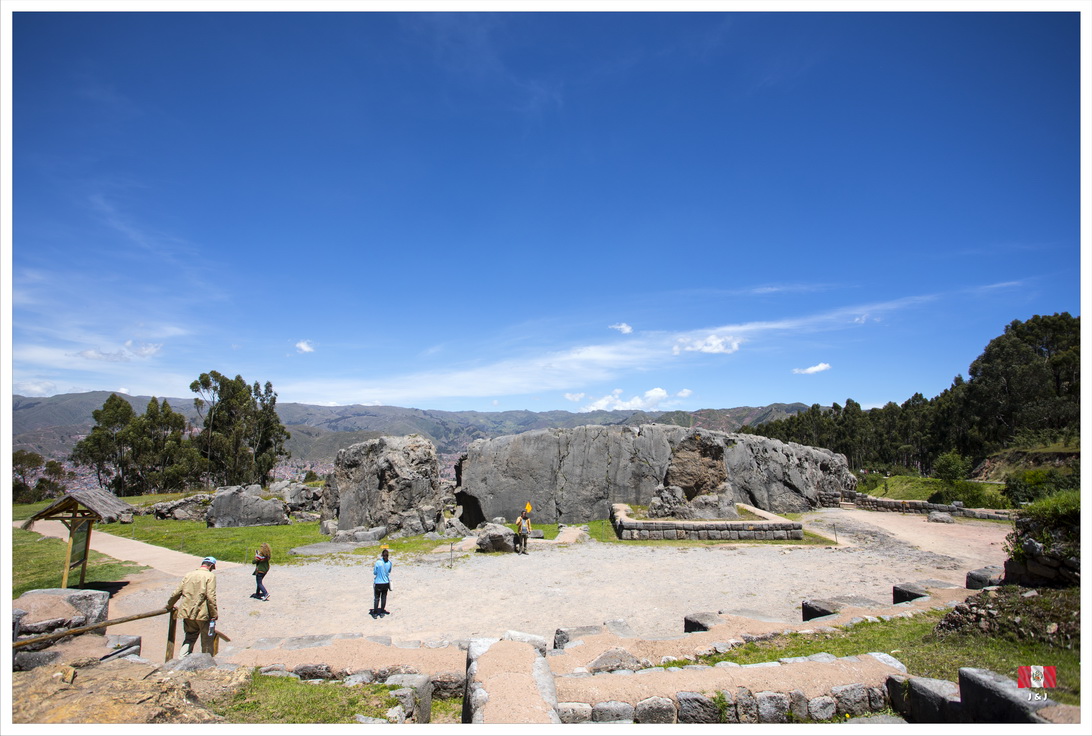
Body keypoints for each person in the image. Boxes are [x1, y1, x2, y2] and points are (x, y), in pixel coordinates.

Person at [166, 556, 218, 656]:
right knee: (206, 641)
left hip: (187, 612)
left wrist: (169, 605)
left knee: (189, 637)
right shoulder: (210, 576)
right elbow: (211, 597)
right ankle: (206, 662)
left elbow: (177, 593)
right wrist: (214, 614)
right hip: (203, 613)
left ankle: (181, 658)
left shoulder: (189, 574)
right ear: (211, 565)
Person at [370, 547, 392, 617]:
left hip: (378, 582)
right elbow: (389, 571)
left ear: (382, 555)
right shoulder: (389, 563)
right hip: (385, 583)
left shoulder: (378, 562)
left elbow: (375, 572)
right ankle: (382, 612)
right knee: (384, 597)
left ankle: (375, 613)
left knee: (376, 598)